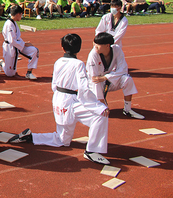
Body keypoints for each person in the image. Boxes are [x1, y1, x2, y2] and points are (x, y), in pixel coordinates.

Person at [8, 33, 110, 165]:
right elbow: (84, 89)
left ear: (62, 48)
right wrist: (99, 106)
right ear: (79, 48)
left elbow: (54, 85)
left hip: (59, 99)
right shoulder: (79, 64)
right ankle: (91, 151)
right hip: (71, 101)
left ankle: (31, 136)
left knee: (62, 140)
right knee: (100, 115)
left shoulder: (58, 62)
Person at [86, 33, 144, 119]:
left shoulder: (117, 50)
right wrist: (102, 103)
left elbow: (123, 69)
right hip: (95, 84)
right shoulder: (93, 55)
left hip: (108, 79)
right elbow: (94, 79)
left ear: (107, 45)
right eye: (95, 43)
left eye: (98, 44)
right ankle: (97, 105)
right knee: (95, 83)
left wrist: (106, 77)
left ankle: (127, 110)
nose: (95, 46)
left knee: (127, 79)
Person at [0, 5, 39, 80]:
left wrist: (24, 43)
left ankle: (29, 73)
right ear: (18, 14)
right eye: (21, 14)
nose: (21, 16)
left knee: (34, 50)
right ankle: (2, 63)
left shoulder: (14, 22)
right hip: (10, 47)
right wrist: (24, 44)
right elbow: (11, 40)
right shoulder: (9, 24)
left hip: (19, 46)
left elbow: (16, 38)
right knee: (10, 74)